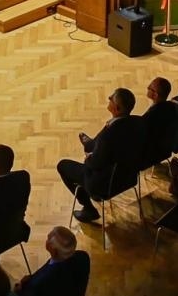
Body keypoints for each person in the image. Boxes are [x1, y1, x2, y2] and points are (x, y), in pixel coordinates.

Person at [56, 87, 142, 223]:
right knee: (93, 146)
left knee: (62, 166)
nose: (108, 97)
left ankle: (88, 208)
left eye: (112, 98)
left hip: (103, 184)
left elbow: (95, 164)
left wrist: (88, 158)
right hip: (129, 177)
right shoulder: (138, 123)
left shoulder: (108, 136)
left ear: (117, 109)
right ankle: (90, 143)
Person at [140, 76, 178, 168]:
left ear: (155, 95)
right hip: (165, 150)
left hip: (150, 155)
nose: (147, 87)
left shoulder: (150, 117)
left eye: (150, 88)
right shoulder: (172, 107)